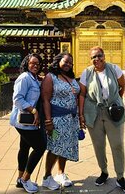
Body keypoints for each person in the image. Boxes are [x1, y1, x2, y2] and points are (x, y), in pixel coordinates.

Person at [78, 46, 125, 194]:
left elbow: (122, 86)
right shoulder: (87, 73)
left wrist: (115, 102)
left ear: (104, 56)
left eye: (99, 56)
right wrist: (81, 114)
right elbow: (82, 94)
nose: (97, 59)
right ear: (91, 59)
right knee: (98, 145)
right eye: (93, 57)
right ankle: (104, 171)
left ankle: (120, 177)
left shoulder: (114, 69)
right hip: (93, 112)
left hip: (112, 111)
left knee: (117, 144)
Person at [41, 52, 81, 190]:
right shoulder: (50, 77)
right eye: (65, 62)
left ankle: (61, 173)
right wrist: (48, 120)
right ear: (58, 61)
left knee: (65, 147)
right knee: (55, 147)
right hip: (57, 119)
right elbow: (45, 99)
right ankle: (47, 177)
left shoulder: (71, 78)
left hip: (71, 119)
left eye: (70, 63)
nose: (68, 64)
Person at [9, 53, 46, 193]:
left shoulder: (34, 79)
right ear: (26, 63)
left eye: (38, 63)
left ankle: (20, 179)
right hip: (23, 120)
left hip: (28, 122)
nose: (35, 65)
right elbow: (17, 99)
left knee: (24, 148)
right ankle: (25, 179)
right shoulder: (24, 77)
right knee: (40, 147)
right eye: (32, 63)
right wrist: (34, 111)